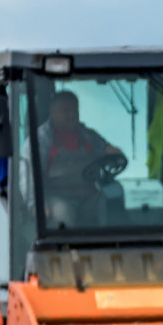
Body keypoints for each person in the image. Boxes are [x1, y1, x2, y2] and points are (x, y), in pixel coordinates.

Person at [35, 91, 124, 227]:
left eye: (74, 110)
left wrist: (114, 153)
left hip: (88, 193)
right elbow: (30, 177)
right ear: (52, 112)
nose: (72, 115)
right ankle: (64, 247)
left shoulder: (88, 136)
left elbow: (107, 149)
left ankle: (112, 243)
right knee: (63, 213)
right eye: (66, 111)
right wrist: (36, 204)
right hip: (58, 196)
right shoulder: (41, 140)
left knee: (110, 198)